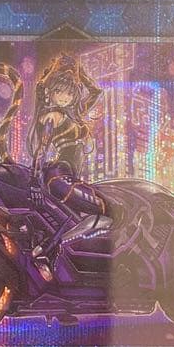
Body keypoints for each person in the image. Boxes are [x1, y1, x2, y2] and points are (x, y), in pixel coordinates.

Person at [26, 54, 111, 281]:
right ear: (50, 93)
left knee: (75, 218)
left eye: (69, 93)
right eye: (59, 92)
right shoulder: (52, 116)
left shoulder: (75, 114)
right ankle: (46, 251)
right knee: (106, 209)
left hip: (70, 178)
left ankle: (48, 250)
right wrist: (34, 181)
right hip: (59, 177)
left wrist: (79, 72)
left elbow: (96, 92)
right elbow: (41, 149)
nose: (64, 97)